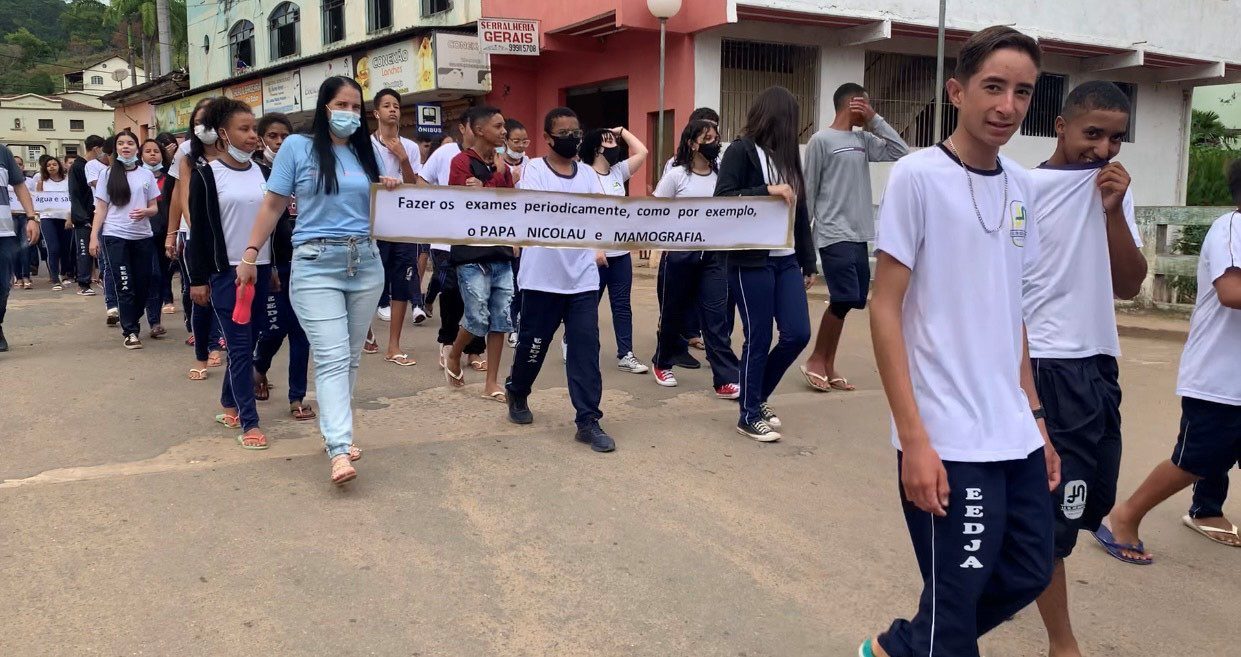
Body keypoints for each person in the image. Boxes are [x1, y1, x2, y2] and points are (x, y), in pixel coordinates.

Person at [858, 27, 1059, 657]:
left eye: (1022, 92)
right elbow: (884, 307)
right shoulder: (918, 176)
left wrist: (1037, 421)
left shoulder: (1023, 186)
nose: (1007, 106)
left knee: (1029, 569)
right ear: (957, 91)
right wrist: (914, 440)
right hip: (946, 432)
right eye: (993, 87)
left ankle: (901, 646)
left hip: (1012, 429)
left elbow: (1011, 311)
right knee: (956, 604)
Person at [1022, 81, 1147, 657]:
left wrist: (1113, 212)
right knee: (1055, 518)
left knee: (1090, 501)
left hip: (1097, 365)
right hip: (1046, 363)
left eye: (1115, 138)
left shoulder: (1111, 192)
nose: (1103, 149)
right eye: (1092, 134)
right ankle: (1062, 643)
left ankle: (1011, 564)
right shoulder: (1023, 187)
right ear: (1061, 127)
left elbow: (1129, 284)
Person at [237, 75, 400, 485]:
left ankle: (335, 430)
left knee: (350, 357)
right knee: (331, 355)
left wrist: (390, 189)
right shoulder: (298, 147)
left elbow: (386, 210)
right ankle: (339, 447)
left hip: (365, 263)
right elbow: (273, 204)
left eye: (355, 107)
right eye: (341, 105)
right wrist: (251, 253)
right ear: (324, 106)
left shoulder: (367, 153)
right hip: (315, 264)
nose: (349, 113)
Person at [1098, 164, 1241, 565]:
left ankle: (1206, 510)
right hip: (1220, 379)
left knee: (1216, 455)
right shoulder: (1232, 228)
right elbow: (1230, 291)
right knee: (1193, 460)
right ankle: (1125, 515)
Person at [506, 107, 615, 454]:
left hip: (582, 279)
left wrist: (598, 246)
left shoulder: (588, 176)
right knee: (533, 346)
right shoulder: (534, 171)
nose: (572, 138)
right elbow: (539, 211)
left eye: (576, 132)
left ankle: (588, 420)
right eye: (564, 133)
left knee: (585, 349)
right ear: (548, 138)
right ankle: (517, 390)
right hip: (542, 279)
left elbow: (598, 217)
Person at [715, 88, 816, 441]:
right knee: (758, 336)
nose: (794, 127)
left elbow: (800, 211)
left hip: (786, 260)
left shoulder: (789, 158)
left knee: (798, 333)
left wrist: (808, 261)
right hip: (751, 260)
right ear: (774, 119)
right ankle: (748, 415)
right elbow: (722, 199)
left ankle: (756, 396)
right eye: (791, 119)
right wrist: (766, 190)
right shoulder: (741, 151)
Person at [799, 83, 909, 393]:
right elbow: (808, 191)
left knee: (851, 300)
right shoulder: (821, 140)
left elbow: (900, 151)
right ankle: (816, 360)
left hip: (859, 233)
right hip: (833, 232)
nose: (870, 110)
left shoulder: (863, 139)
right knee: (844, 297)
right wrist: (804, 250)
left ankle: (827, 363)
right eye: (866, 105)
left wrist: (874, 120)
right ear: (853, 103)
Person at [187, 97, 276, 450]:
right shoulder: (206, 175)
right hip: (228, 275)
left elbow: (274, 223)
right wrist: (197, 279)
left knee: (251, 341)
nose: (253, 135)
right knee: (239, 349)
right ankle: (249, 422)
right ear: (223, 133)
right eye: (245, 129)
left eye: (255, 128)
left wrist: (273, 266)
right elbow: (199, 233)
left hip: (262, 269)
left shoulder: (264, 173)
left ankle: (228, 403)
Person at [652, 120, 741, 399]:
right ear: (692, 144)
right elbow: (654, 210)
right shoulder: (676, 176)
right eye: (708, 138)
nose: (715, 143)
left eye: (716, 137)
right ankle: (662, 362)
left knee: (716, 318)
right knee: (673, 313)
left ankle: (725, 378)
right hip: (680, 255)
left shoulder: (721, 176)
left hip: (714, 256)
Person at [444, 105, 516, 400]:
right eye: (498, 126)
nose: (503, 131)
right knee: (476, 316)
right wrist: (495, 179)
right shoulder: (461, 162)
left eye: (504, 126)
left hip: (500, 251)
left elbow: (509, 203)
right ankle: (454, 353)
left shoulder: (503, 166)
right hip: (471, 253)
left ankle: (491, 382)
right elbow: (465, 202)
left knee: (501, 317)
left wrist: (490, 183)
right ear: (479, 130)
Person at [252, 112, 315, 421]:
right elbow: (265, 222)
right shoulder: (257, 173)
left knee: (301, 332)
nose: (279, 142)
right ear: (261, 139)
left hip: (305, 262)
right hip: (273, 265)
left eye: (285, 137)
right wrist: (270, 265)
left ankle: (297, 396)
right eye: (273, 136)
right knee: (274, 330)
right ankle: (258, 367)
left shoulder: (307, 171)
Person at [418, 114, 487, 371]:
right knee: (452, 294)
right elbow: (421, 182)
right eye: (475, 127)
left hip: (479, 238)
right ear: (463, 128)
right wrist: (439, 205)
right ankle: (447, 343)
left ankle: (474, 350)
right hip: (446, 241)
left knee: (478, 294)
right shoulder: (445, 152)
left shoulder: (491, 157)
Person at [581, 126, 649, 374]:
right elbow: (584, 217)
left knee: (622, 305)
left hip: (620, 253)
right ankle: (574, 343)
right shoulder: (584, 175)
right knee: (588, 306)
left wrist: (622, 131)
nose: (615, 146)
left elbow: (643, 152)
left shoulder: (618, 171)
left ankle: (626, 354)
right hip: (595, 255)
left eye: (614, 142)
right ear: (597, 148)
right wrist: (595, 248)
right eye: (609, 142)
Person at [88, 130, 161, 350]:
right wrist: (94, 237)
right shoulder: (107, 174)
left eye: (130, 143)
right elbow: (101, 208)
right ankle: (130, 331)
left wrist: (146, 212)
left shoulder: (146, 175)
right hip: (115, 236)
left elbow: (154, 207)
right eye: (121, 143)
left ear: (137, 148)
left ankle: (131, 317)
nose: (125, 147)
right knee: (125, 284)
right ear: (116, 149)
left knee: (143, 284)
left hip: (142, 236)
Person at [170, 98, 227, 375]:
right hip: (200, 238)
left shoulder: (237, 156)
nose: (204, 127)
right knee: (201, 296)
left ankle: (222, 345)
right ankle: (202, 355)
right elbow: (184, 199)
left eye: (209, 121)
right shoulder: (188, 159)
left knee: (229, 296)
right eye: (198, 123)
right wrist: (200, 230)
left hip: (233, 238)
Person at [370, 88, 427, 361]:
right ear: (376, 113)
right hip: (374, 223)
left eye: (396, 105)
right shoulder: (366, 146)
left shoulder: (411, 147)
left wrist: (403, 158)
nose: (392, 109)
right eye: (386, 105)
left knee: (402, 282)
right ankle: (365, 331)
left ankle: (394, 345)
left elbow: (414, 184)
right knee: (370, 280)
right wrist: (382, 182)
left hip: (403, 224)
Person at [0, 144, 38, 352]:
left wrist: (31, 217)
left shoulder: (3, 153)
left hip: (3, 232)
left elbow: (20, 185)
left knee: (2, 286)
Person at [501, 117, 531, 345]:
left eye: (524, 141)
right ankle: (508, 325)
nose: (520, 146)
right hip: (503, 231)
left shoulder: (531, 164)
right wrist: (510, 181)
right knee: (508, 283)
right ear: (506, 141)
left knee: (522, 281)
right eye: (516, 141)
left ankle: (519, 324)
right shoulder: (497, 163)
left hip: (525, 232)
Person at [68, 135, 105, 296]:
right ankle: (83, 283)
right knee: (84, 250)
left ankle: (102, 279)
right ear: (96, 148)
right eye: (103, 149)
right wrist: (82, 218)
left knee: (101, 249)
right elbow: (74, 194)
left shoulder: (98, 166)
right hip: (83, 216)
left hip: (97, 213)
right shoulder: (78, 167)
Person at [36, 156, 74, 290]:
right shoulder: (42, 182)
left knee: (65, 248)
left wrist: (70, 218)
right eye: (48, 165)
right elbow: (38, 200)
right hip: (47, 218)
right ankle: (54, 278)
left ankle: (64, 274)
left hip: (65, 218)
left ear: (59, 166)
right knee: (53, 248)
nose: (51, 167)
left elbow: (71, 200)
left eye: (54, 164)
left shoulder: (68, 181)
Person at [10, 155, 34, 289]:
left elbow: (37, 199)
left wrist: (34, 218)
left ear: (23, 166)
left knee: (25, 246)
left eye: (19, 164)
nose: (17, 166)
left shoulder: (30, 182)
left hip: (25, 216)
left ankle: (26, 276)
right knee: (13, 247)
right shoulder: (5, 181)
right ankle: (17, 276)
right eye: (15, 164)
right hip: (10, 217)